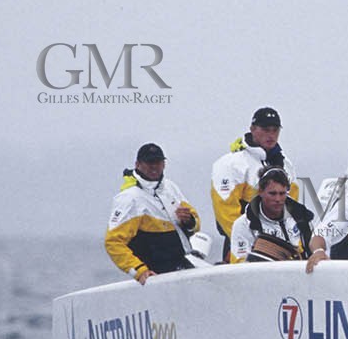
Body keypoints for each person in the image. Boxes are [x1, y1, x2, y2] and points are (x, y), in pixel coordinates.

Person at [104, 142, 204, 284]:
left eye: (158, 162)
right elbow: (113, 242)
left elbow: (195, 223)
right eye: (149, 162)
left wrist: (189, 221)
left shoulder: (170, 187)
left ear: (164, 164)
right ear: (138, 164)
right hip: (156, 275)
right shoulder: (129, 198)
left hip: (182, 264)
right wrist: (139, 271)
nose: (154, 166)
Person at [212, 106, 299, 259]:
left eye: (275, 130)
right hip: (244, 243)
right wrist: (246, 239)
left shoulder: (286, 164)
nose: (271, 135)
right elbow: (225, 210)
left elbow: (293, 207)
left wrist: (296, 243)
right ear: (252, 129)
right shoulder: (231, 164)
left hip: (282, 245)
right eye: (265, 129)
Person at [229, 167, 315, 262]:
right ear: (260, 192)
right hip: (259, 270)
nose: (278, 199)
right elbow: (240, 263)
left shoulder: (302, 218)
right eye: (272, 193)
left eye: (282, 193)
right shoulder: (243, 224)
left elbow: (313, 253)